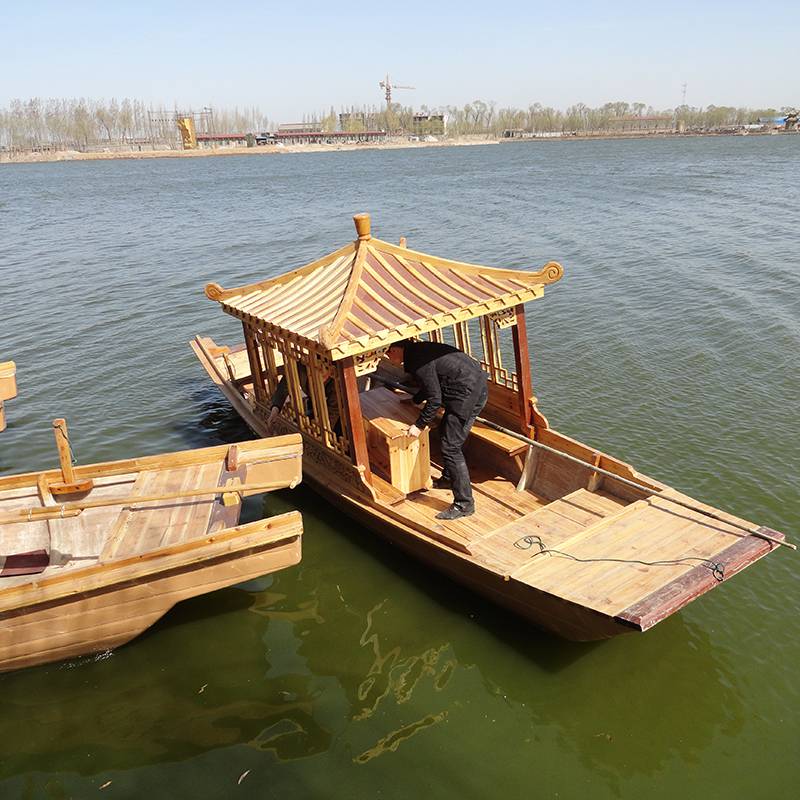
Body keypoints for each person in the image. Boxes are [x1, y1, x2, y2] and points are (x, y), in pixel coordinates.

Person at [386, 339, 488, 520]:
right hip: (476, 387)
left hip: (466, 394)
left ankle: (464, 504)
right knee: (447, 436)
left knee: (450, 447)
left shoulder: (417, 361)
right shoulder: (419, 351)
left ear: (396, 349)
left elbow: (434, 399)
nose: (387, 357)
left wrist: (418, 425)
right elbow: (431, 383)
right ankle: (448, 479)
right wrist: (416, 400)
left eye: (388, 353)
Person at [266, 362, 340, 436]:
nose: (318, 373)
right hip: (315, 406)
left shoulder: (336, 383)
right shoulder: (302, 369)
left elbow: (334, 410)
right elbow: (284, 386)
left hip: (336, 417)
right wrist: (275, 410)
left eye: (324, 371)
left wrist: (324, 433)